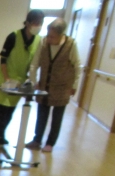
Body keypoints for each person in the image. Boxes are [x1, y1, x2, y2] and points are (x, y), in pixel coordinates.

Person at [0, 9, 45, 149]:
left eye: (40, 23)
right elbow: (3, 59)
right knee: (2, 108)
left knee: (10, 110)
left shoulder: (38, 40)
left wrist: (31, 80)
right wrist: (7, 78)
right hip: (5, 78)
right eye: (36, 23)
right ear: (28, 23)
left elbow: (35, 63)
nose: (38, 26)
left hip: (20, 81)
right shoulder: (13, 36)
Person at [25, 18, 81, 153]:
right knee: (41, 114)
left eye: (52, 36)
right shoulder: (43, 43)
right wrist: (33, 81)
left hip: (63, 86)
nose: (49, 39)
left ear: (61, 35)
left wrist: (74, 85)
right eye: (48, 35)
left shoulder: (71, 45)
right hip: (44, 85)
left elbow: (77, 66)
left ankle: (50, 143)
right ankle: (37, 139)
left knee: (57, 116)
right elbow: (34, 63)